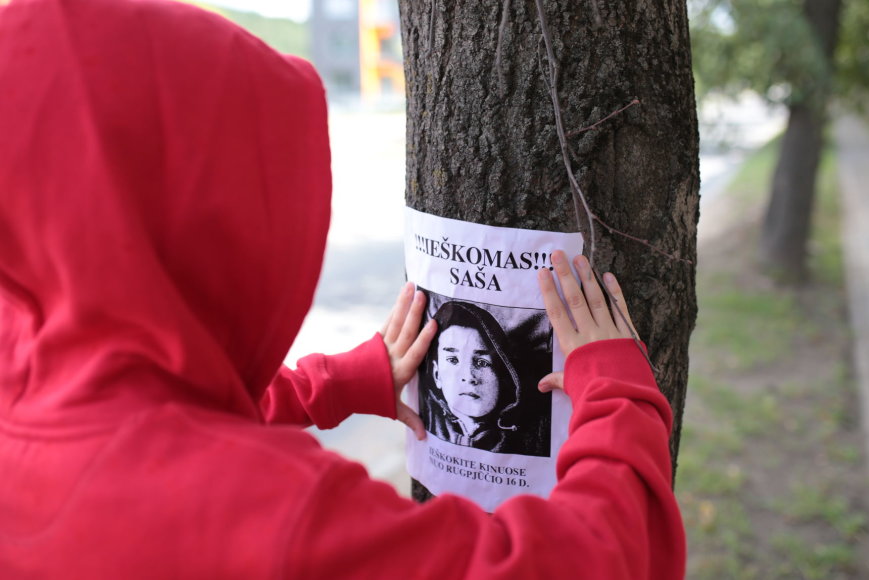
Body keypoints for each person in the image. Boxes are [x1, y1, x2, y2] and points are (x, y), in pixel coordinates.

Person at [0, 0, 686, 578]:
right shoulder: (278, 520)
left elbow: (139, 429)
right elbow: (591, 561)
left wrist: (336, 385)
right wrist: (618, 393)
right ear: (207, 221)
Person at [420, 300, 548, 456]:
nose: (468, 377)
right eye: (453, 360)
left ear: (504, 373)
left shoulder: (538, 434)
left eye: (482, 362)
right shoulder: (427, 416)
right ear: (437, 375)